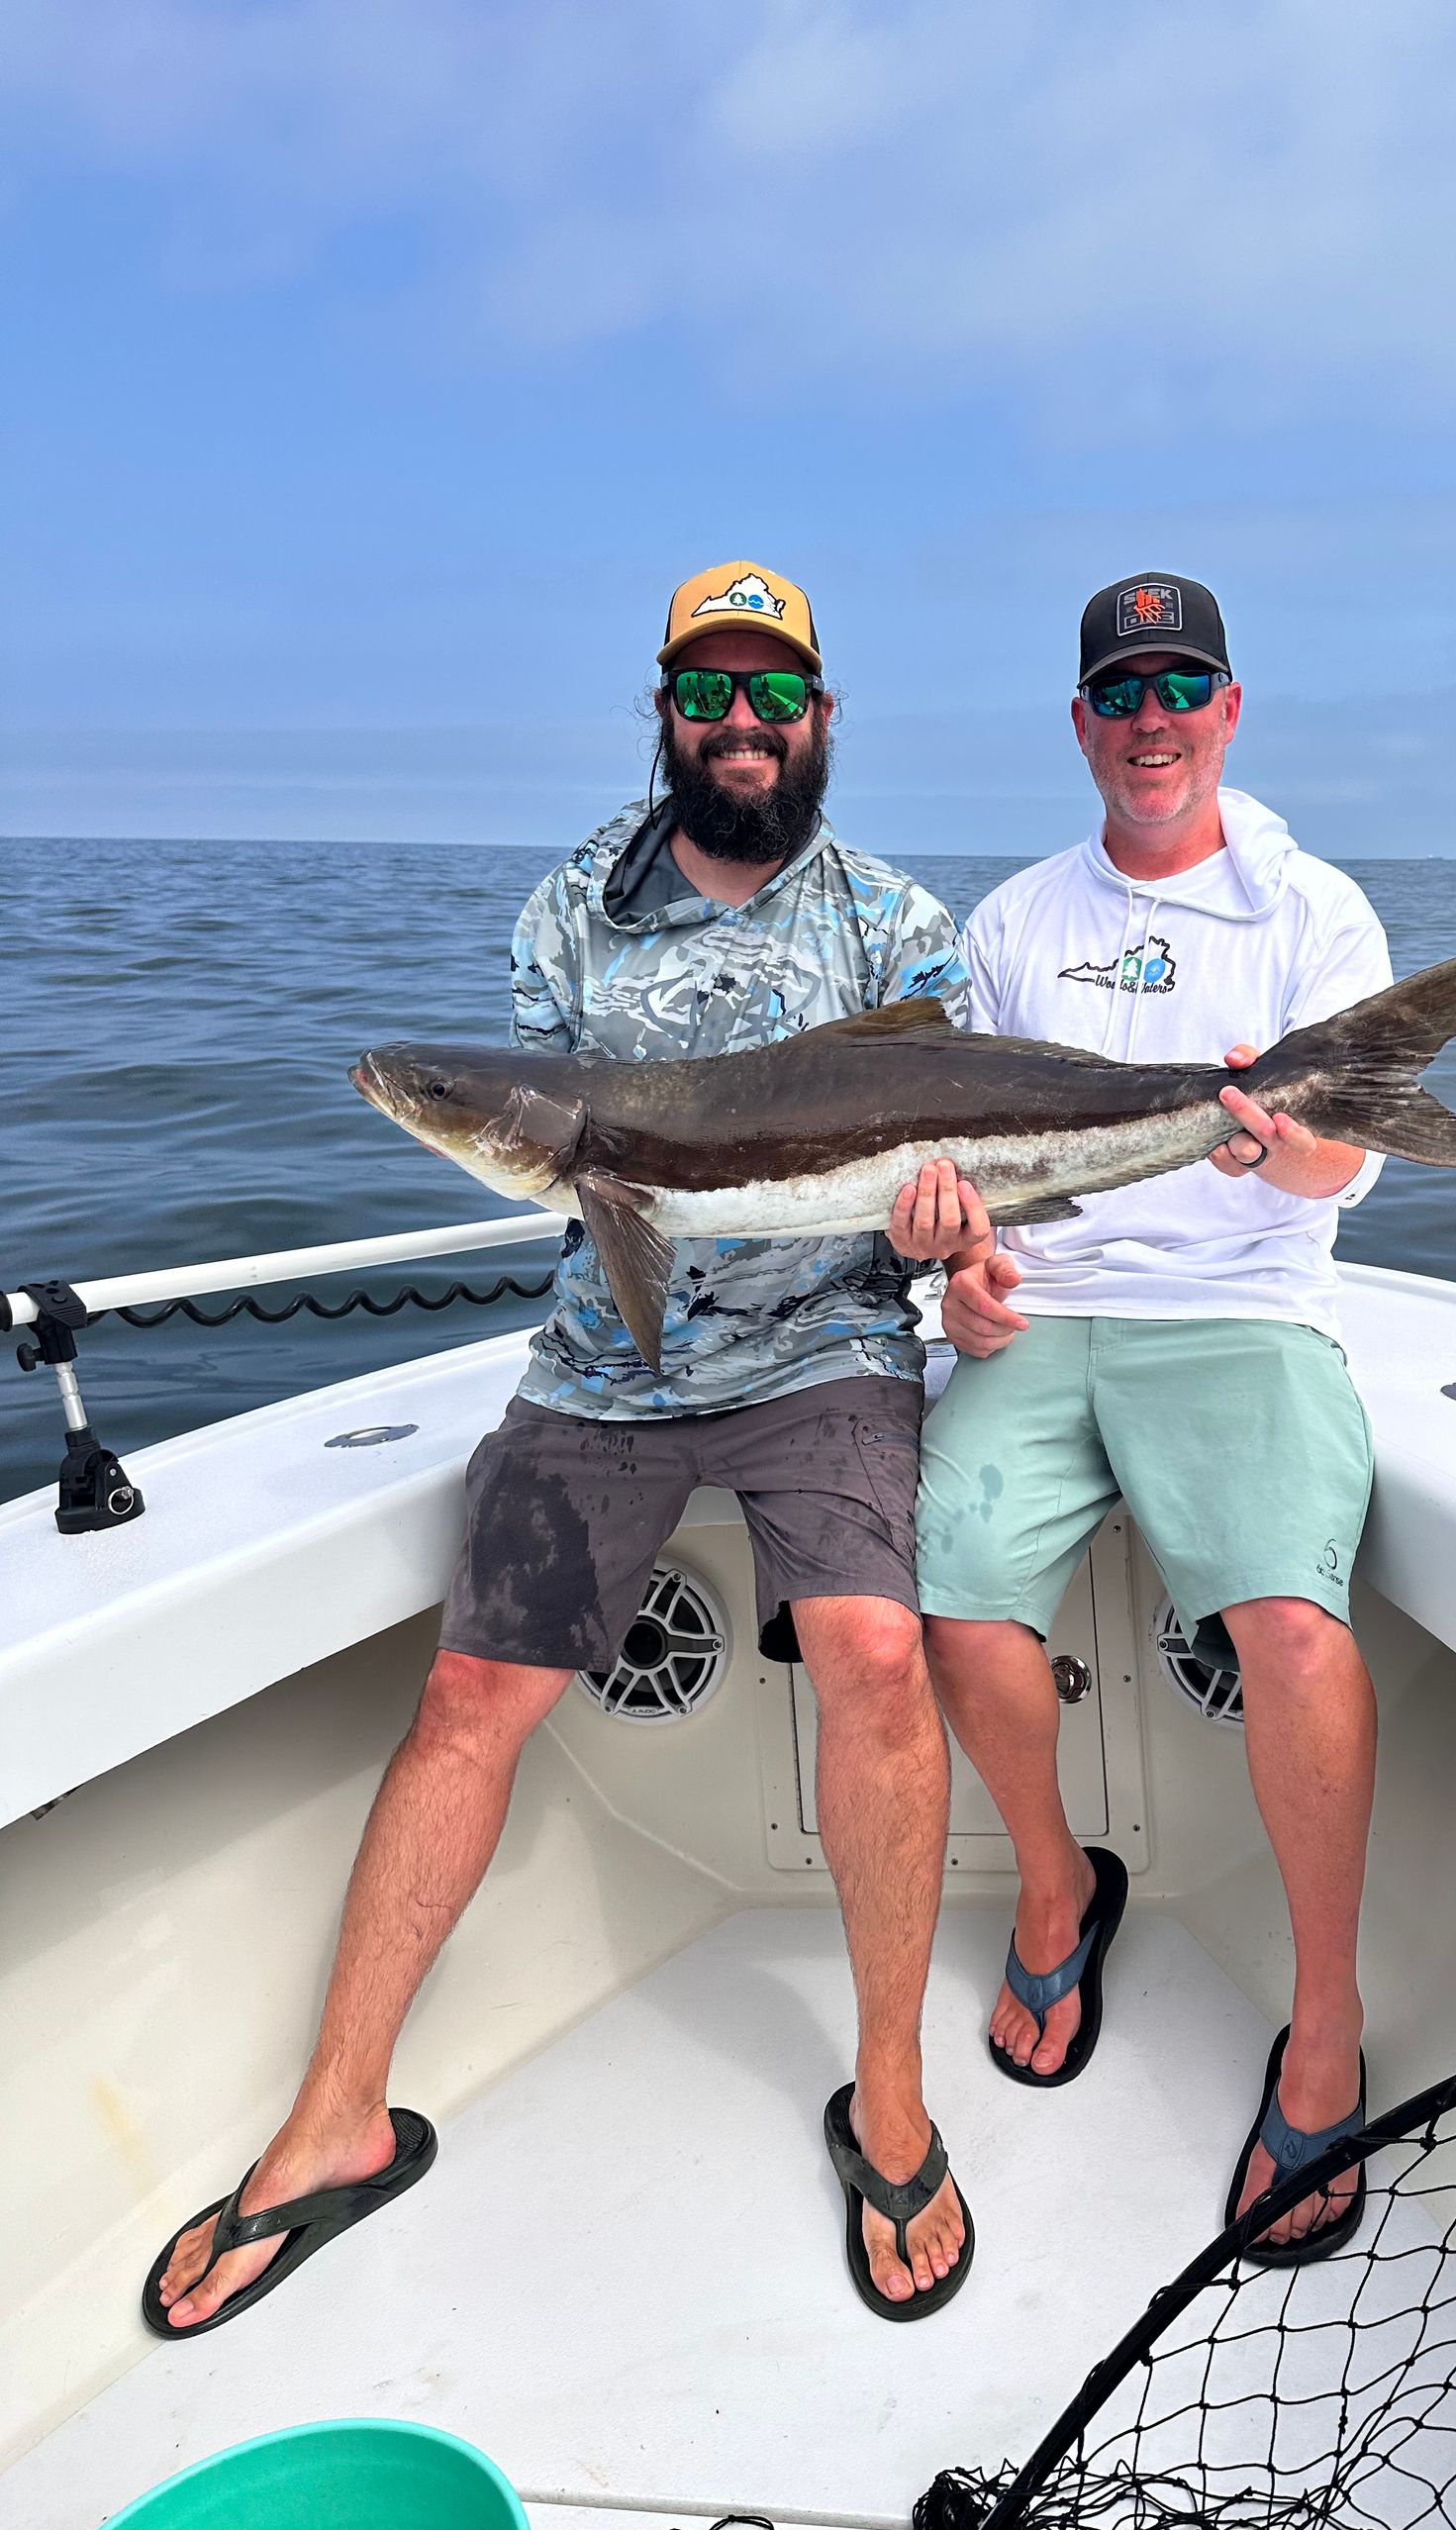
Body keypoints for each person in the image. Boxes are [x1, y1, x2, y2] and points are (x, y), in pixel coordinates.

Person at [147, 560, 975, 2332]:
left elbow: (965, 1214)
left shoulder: (901, 927)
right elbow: (572, 1173)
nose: (740, 728)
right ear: (662, 712)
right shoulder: (567, 917)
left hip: (832, 1342)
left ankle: (891, 2106)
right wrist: (573, 1186)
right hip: (610, 1362)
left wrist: (943, 1237)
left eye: (773, 697)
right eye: (706, 696)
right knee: (467, 1697)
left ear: (821, 718)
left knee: (876, 1657)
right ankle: (334, 2117)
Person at [904, 571, 1391, 2264]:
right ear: (1082, 726)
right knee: (951, 1606)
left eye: (1183, 685)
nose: (1153, 719)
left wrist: (1277, 1145)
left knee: (1298, 1640)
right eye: (1121, 693)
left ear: (1232, 709)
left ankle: (1323, 2025)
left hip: (1244, 1311)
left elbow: (1350, 1165)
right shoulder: (1013, 924)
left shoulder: (1310, 910)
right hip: (1044, 1310)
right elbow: (962, 1174)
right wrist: (956, 1278)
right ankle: (1059, 1885)